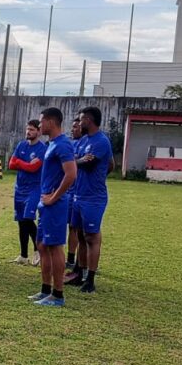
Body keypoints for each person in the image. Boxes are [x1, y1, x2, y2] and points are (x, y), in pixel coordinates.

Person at [29, 107, 77, 307]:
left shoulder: (63, 145)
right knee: (42, 245)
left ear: (51, 121)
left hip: (55, 204)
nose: (39, 126)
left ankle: (58, 295)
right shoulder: (52, 144)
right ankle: (45, 290)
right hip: (45, 203)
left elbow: (71, 174)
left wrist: (55, 197)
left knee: (55, 247)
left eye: (41, 122)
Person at [72, 106, 114, 294]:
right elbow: (78, 160)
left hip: (93, 198)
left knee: (91, 236)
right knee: (80, 235)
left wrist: (77, 162)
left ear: (88, 120)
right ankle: (79, 273)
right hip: (78, 194)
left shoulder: (101, 141)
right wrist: (78, 160)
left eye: (81, 119)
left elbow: (90, 164)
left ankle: (91, 279)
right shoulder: (83, 141)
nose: (79, 123)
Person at [7, 119, 46, 265]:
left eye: (32, 129)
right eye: (27, 129)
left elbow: (34, 169)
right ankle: (23, 256)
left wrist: (20, 164)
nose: (28, 132)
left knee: (28, 219)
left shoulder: (42, 149)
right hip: (20, 188)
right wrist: (25, 164)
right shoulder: (21, 145)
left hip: (34, 188)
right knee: (21, 222)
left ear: (38, 132)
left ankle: (38, 251)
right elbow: (11, 164)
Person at [65, 114, 85, 285]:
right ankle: (71, 258)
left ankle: (76, 260)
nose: (73, 129)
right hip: (67, 191)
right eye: (72, 127)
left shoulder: (87, 144)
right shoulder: (68, 144)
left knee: (77, 228)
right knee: (70, 226)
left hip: (81, 191)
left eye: (76, 126)